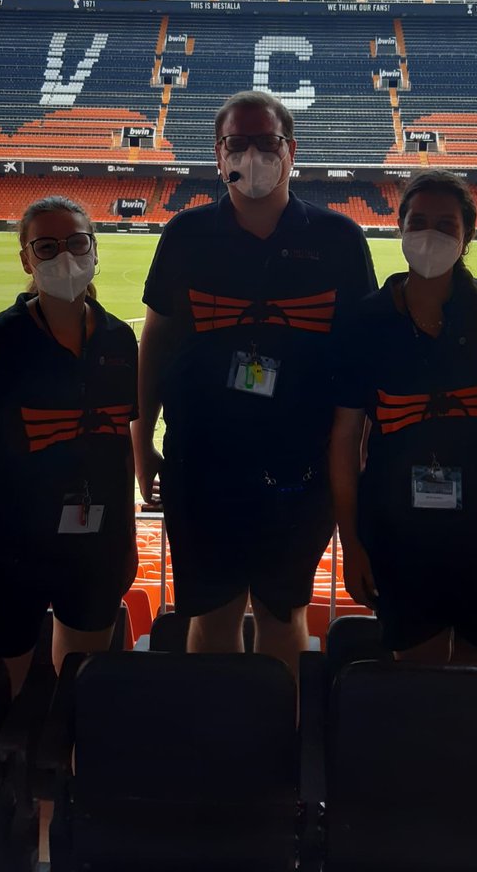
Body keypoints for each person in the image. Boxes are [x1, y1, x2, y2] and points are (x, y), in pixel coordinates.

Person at [133, 90, 377, 672]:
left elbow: (364, 357)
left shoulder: (340, 239)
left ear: (291, 152)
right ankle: (219, 742)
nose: (254, 154)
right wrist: (140, 444)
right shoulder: (185, 236)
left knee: (283, 612)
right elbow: (155, 343)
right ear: (218, 157)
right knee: (211, 614)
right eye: (237, 143)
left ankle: (279, 741)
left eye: (267, 142)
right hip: (201, 460)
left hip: (302, 463)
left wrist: (360, 453)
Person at [329, 170, 477, 666]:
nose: (430, 234)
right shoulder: (366, 320)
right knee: (420, 693)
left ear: (468, 236)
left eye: (445, 224)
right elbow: (345, 440)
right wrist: (351, 543)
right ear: (399, 226)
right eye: (419, 221)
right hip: (400, 536)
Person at [0, 195, 138, 694]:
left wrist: (126, 542)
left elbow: (120, 452)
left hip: (96, 548)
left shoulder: (119, 341)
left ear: (95, 249)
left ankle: (69, 770)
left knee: (82, 690)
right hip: (7, 546)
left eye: (77, 243)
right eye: (47, 246)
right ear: (26, 259)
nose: (65, 257)